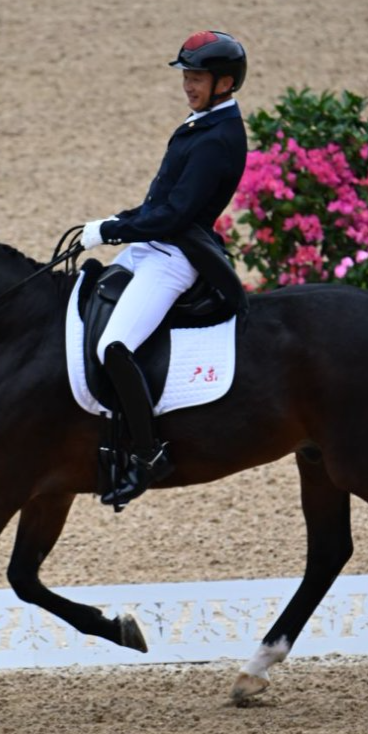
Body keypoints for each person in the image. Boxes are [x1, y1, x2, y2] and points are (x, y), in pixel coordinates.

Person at [79, 29, 249, 509]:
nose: (188, 85)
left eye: (197, 77)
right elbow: (159, 202)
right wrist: (117, 221)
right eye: (186, 76)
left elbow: (175, 215)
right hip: (152, 245)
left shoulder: (218, 138)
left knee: (115, 346)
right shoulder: (202, 122)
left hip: (175, 257)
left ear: (224, 83)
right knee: (86, 301)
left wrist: (113, 230)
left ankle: (149, 454)